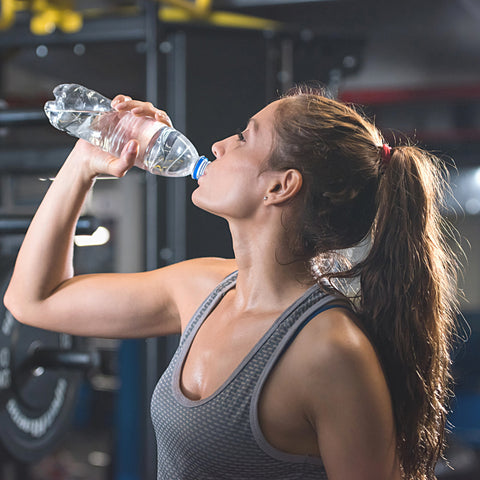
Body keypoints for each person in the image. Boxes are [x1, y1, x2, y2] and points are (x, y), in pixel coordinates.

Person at [3, 85, 460, 480]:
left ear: (281, 187)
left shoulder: (330, 350)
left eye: (244, 138)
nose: (219, 145)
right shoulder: (203, 288)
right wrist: (83, 163)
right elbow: (34, 300)